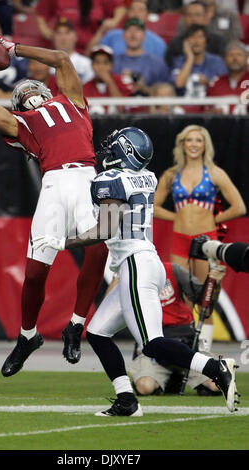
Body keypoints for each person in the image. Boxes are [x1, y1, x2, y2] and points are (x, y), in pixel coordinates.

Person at [32, 126, 239, 416]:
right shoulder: (147, 176)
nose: (109, 148)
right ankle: (126, 400)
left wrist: (60, 242)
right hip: (145, 261)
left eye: (116, 144)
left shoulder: (112, 180)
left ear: (125, 151)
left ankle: (214, 367)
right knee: (97, 333)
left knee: (152, 344)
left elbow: (104, 229)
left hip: (135, 264)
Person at [0, 36, 108, 373]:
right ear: (16, 104)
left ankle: (76, 324)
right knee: (34, 271)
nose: (27, 90)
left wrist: (13, 48)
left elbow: (60, 57)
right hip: (54, 184)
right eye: (21, 91)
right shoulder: (21, 124)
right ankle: (27, 335)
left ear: (47, 91)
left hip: (87, 176)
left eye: (33, 86)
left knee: (99, 248)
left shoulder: (72, 100)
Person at [153, 124, 246, 350]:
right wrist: (177, 217)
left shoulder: (215, 173)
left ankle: (204, 350)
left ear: (205, 146)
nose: (194, 144)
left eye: (198, 140)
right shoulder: (171, 174)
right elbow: (153, 206)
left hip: (206, 242)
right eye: (189, 140)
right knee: (182, 297)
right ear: (182, 144)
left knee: (206, 298)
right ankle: (186, 349)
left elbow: (239, 206)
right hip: (180, 240)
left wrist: (212, 219)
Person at [129, 261, 225, 396]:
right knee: (145, 387)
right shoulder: (129, 274)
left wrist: (215, 284)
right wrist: (117, 280)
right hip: (153, 346)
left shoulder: (173, 269)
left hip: (184, 341)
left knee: (216, 386)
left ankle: (179, 375)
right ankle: (172, 378)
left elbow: (202, 297)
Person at [34, 0, 127, 55]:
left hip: (92, 49)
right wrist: (44, 29)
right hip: (65, 49)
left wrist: (114, 21)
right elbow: (41, 10)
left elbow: (120, 7)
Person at [86, 0, 167, 58]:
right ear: (127, 13)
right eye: (132, 9)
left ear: (147, 15)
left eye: (140, 10)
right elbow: (89, 54)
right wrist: (101, 31)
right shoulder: (112, 36)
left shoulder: (157, 42)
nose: (136, 13)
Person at [170, 24, 228, 99]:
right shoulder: (178, 61)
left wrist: (208, 84)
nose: (196, 41)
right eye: (192, 37)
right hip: (184, 106)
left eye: (200, 37)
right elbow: (179, 84)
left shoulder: (217, 61)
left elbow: (224, 89)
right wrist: (190, 58)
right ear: (185, 42)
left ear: (206, 41)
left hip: (209, 106)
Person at [112, 18, 169, 92]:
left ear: (144, 35)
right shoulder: (113, 63)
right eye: (129, 30)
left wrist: (143, 88)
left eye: (137, 30)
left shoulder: (157, 63)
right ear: (123, 35)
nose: (133, 34)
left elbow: (166, 94)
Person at [165, 1, 228, 68]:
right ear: (184, 18)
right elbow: (169, 69)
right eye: (189, 15)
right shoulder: (175, 43)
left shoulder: (218, 42)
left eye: (197, 15)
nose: (193, 19)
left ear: (206, 17)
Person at [83, 45, 133, 115]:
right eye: (97, 62)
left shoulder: (122, 81)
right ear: (92, 65)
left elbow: (122, 108)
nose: (101, 67)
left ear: (111, 65)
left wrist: (109, 82)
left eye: (105, 63)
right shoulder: (85, 87)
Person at [206, 41, 249, 115]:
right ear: (224, 59)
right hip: (220, 124)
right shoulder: (216, 83)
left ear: (246, 58)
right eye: (231, 55)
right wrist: (214, 112)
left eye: (239, 54)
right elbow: (206, 109)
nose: (235, 58)